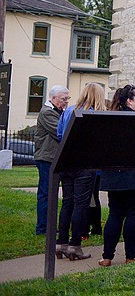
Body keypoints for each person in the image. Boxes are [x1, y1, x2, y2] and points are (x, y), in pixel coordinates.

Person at [99, 84, 135, 266]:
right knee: (133, 215)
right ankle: (132, 255)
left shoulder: (110, 119)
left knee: (115, 215)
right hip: (133, 175)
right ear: (129, 101)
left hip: (114, 175)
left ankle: (107, 257)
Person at [53, 83, 106, 261]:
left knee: (67, 202)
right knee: (81, 205)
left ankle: (60, 243)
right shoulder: (94, 114)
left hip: (66, 161)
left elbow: (59, 135)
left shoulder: (68, 111)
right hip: (84, 163)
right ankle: (75, 245)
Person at [33, 85, 69, 235]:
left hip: (53, 158)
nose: (66, 102)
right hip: (46, 158)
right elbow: (60, 132)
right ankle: (43, 228)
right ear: (53, 98)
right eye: (64, 99)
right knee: (46, 193)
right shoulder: (47, 112)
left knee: (51, 194)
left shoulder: (58, 111)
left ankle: (50, 226)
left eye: (68, 99)